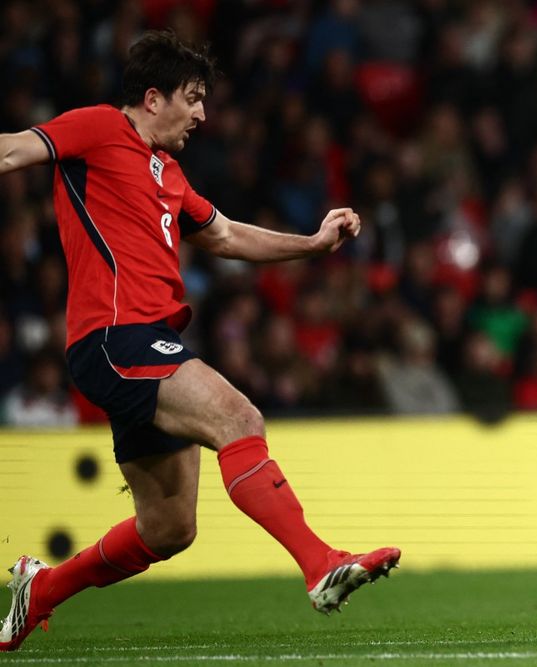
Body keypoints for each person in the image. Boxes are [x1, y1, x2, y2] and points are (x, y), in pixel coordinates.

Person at [0, 31, 400, 652]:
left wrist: (313, 244)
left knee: (167, 529)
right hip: (115, 338)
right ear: (153, 98)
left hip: (145, 340)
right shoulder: (99, 127)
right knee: (238, 417)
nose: (203, 114)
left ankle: (42, 591)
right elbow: (12, 151)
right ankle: (320, 563)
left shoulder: (170, 173)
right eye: (193, 98)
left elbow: (226, 237)